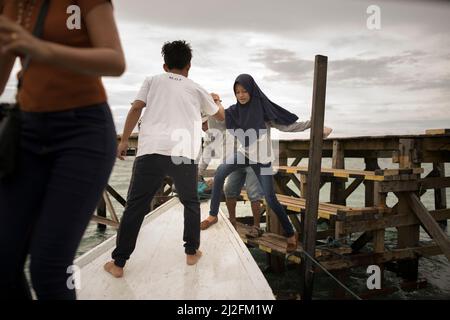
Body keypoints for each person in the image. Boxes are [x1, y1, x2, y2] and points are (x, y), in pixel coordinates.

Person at [0, 0, 125, 300]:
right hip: (26, 131)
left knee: (49, 267)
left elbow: (115, 61)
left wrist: (43, 49)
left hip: (83, 132)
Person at [103, 40, 225, 278]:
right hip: (184, 153)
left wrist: (124, 140)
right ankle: (191, 252)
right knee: (190, 203)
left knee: (135, 207)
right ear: (188, 66)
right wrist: (217, 101)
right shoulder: (195, 87)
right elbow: (217, 114)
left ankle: (118, 264)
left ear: (165, 65)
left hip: (152, 150)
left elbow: (136, 108)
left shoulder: (152, 80)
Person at [200, 74, 332, 253]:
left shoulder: (263, 110)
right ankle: (213, 215)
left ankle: (290, 233)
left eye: (244, 91)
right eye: (237, 92)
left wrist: (312, 124)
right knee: (221, 172)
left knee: (270, 198)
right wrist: (214, 104)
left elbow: (287, 127)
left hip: (262, 160)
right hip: (244, 154)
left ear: (252, 90)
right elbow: (220, 123)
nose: (241, 95)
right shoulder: (235, 111)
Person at [199, 110, 313, 238]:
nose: (203, 127)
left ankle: (256, 227)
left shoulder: (228, 122)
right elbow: (206, 154)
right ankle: (232, 222)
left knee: (254, 193)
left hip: (253, 160)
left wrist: (309, 123)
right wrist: (198, 173)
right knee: (229, 190)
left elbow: (283, 127)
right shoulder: (210, 135)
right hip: (235, 164)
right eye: (201, 125)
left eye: (204, 123)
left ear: (210, 119)